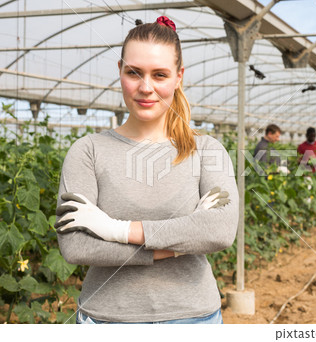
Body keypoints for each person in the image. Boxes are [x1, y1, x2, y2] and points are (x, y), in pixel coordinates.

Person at [54, 17, 238, 324]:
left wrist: (114, 229)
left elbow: (218, 230)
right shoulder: (87, 151)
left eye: (160, 75)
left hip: (194, 319)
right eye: (134, 73)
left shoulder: (206, 150)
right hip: (106, 319)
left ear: (179, 76)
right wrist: (178, 245)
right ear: (120, 71)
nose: (146, 87)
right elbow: (75, 246)